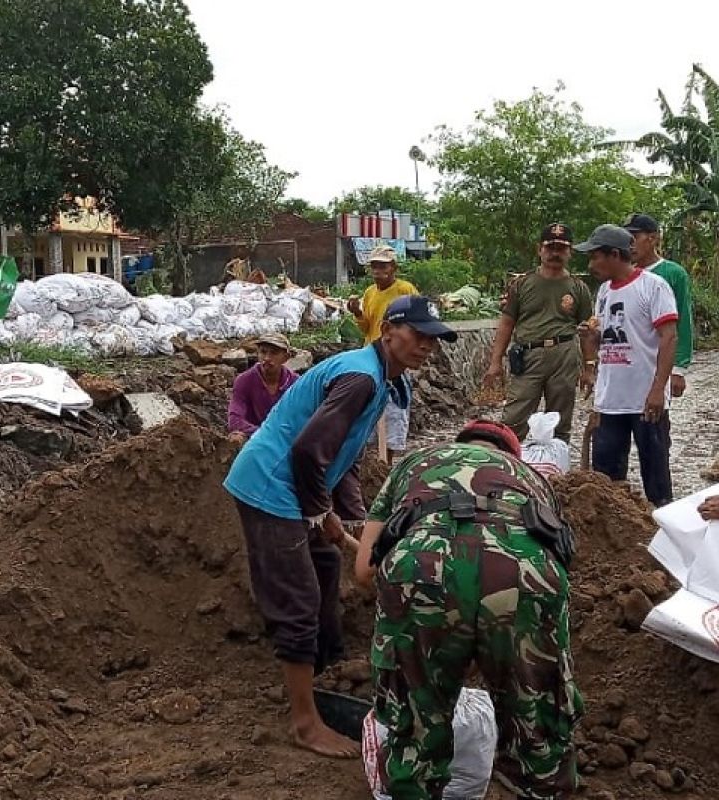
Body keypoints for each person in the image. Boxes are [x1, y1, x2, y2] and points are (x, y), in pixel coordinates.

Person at [224, 295, 457, 759]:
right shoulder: (362, 378)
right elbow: (308, 451)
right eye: (418, 335)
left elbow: (338, 454)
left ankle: (327, 673)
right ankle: (306, 723)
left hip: (291, 488)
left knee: (328, 561)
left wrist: (331, 513)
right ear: (388, 330)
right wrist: (317, 512)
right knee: (299, 601)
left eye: (433, 339)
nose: (426, 346)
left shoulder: (378, 376)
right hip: (270, 487)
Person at [355, 419, 583, 800]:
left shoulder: (413, 464)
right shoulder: (532, 479)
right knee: (538, 725)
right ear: (511, 455)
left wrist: (448, 638)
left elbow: (365, 572)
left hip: (422, 566)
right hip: (525, 573)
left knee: (417, 725)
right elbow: (556, 555)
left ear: (458, 444)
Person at [576, 224, 679, 508]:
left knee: (656, 478)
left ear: (613, 255)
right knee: (605, 481)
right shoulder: (604, 292)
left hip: (645, 399)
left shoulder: (653, 287)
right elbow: (609, 341)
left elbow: (669, 338)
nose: (591, 264)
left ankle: (664, 533)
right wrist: (592, 339)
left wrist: (659, 389)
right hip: (610, 401)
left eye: (595, 256)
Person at [485, 223, 595, 443]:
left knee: (560, 420)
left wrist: (589, 367)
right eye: (550, 247)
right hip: (528, 355)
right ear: (540, 250)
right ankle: (508, 466)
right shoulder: (521, 284)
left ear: (569, 252)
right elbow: (507, 323)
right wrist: (495, 361)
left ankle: (555, 469)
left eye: (561, 248)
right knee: (514, 419)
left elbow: (587, 330)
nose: (555, 253)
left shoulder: (579, 287)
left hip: (564, 355)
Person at [348, 244, 420, 460]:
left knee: (392, 411)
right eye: (375, 267)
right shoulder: (370, 293)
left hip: (395, 360)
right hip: (372, 357)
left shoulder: (404, 291)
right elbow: (368, 326)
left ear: (393, 268)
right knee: (367, 410)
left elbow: (418, 319)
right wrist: (358, 313)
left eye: (383, 266)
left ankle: (386, 461)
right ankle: (369, 461)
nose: (378, 271)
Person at [624, 213, 694, 398]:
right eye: (626, 239)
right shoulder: (622, 273)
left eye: (634, 238)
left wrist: (678, 368)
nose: (630, 244)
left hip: (658, 361)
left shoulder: (672, 273)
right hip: (626, 362)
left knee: (652, 417)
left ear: (652, 238)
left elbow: (683, 321)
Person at [228, 332, 299, 440]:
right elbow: (234, 420)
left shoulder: (295, 383)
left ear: (286, 357)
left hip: (284, 438)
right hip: (254, 438)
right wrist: (264, 433)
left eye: (274, 353)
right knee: (236, 437)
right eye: (263, 352)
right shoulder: (244, 380)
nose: (267, 358)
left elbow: (302, 417)